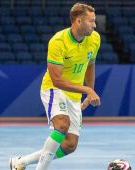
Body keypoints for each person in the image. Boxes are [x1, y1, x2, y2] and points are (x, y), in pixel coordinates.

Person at [10, 2, 101, 170]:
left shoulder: (94, 38)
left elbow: (90, 65)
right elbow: (57, 80)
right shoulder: (58, 41)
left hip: (74, 94)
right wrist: (87, 89)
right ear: (79, 21)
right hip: (54, 88)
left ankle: (21, 162)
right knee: (62, 125)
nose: (95, 25)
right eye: (91, 21)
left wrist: (90, 91)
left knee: (70, 145)